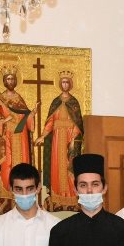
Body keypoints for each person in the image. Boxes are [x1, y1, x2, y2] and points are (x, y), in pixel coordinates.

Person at [35, 70, 84, 208]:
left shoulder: (74, 102)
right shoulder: (56, 102)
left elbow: (78, 124)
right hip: (56, 140)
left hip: (69, 139)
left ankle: (71, 197)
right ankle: (56, 197)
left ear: (71, 84)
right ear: (60, 84)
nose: (65, 84)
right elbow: (50, 122)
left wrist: (74, 139)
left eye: (67, 82)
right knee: (57, 166)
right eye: (63, 82)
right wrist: (43, 136)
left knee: (69, 166)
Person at [0, 65, 38, 197]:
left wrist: (33, 112)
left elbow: (26, 116)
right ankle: (8, 192)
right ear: (4, 81)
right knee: (8, 162)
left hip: (21, 135)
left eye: (12, 79)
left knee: (23, 161)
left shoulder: (19, 98)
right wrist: (5, 120)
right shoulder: (0, 100)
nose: (10, 81)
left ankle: (25, 191)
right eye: (8, 79)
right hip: (8, 136)